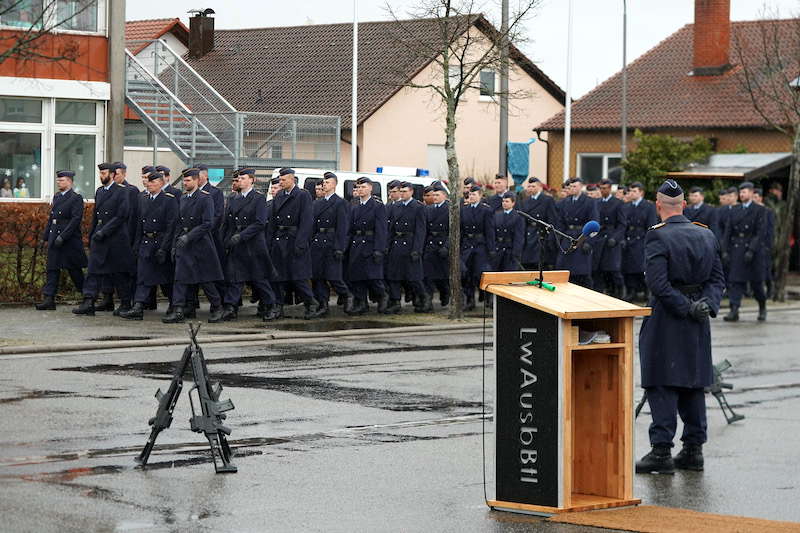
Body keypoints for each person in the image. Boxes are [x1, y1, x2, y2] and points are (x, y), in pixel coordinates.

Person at [636, 179, 725, 475]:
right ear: (684, 205)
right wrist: (706, 306)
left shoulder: (656, 237)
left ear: (658, 206)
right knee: (693, 382)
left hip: (668, 318)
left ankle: (662, 450)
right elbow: (716, 279)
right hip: (697, 319)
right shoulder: (705, 234)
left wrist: (686, 308)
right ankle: (693, 449)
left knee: (662, 381)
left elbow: (658, 284)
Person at [162, 168, 224, 324]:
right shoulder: (183, 199)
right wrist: (175, 244)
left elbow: (208, 224)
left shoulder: (205, 198)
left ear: (197, 180)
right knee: (180, 278)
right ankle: (178, 310)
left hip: (201, 245)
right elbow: (178, 223)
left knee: (206, 280)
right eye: (184, 180)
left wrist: (189, 236)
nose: (185, 183)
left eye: (188, 180)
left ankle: (217, 307)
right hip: (184, 245)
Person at [73, 163, 135, 316]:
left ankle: (126, 303)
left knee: (119, 272)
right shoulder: (100, 191)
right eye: (100, 173)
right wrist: (92, 234)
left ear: (113, 175)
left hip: (116, 239)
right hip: (100, 238)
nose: (102, 176)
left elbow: (122, 215)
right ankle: (89, 301)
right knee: (93, 270)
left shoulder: (122, 191)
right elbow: (96, 215)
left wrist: (105, 231)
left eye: (104, 173)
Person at [218, 168, 276, 322]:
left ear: (252, 180)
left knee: (259, 278)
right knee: (236, 277)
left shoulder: (258, 198)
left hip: (253, 244)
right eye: (239, 178)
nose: (240, 181)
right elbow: (227, 222)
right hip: (236, 243)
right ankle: (231, 307)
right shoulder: (233, 198)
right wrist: (224, 240)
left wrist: (241, 236)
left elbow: (260, 223)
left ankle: (271, 306)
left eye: (244, 178)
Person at [119, 172, 178, 320]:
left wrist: (164, 248)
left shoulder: (169, 200)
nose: (149, 184)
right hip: (146, 242)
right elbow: (140, 224)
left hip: (160, 243)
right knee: (143, 276)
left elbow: (171, 226)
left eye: (153, 182)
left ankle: (175, 305)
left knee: (165, 279)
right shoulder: (144, 199)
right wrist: (136, 245)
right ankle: (138, 306)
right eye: (148, 182)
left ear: (160, 183)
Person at [266, 167, 319, 319]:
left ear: (292, 179)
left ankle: (311, 303)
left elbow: (307, 220)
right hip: (279, 239)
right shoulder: (279, 196)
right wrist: (270, 242)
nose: (281, 182)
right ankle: (277, 307)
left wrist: (301, 242)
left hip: (294, 240)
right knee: (277, 278)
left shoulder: (302, 195)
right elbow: (272, 222)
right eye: (280, 180)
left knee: (298, 278)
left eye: (283, 180)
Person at [35, 170, 87, 310]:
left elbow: (75, 220)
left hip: (69, 240)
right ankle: (49, 299)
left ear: (70, 181)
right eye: (58, 180)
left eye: (62, 180)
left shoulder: (76, 198)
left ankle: (88, 297)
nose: (59, 183)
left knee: (74, 270)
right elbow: (52, 219)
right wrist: (46, 237)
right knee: (52, 268)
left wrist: (63, 236)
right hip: (54, 238)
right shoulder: (57, 197)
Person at [721, 181, 768, 322]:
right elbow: (728, 231)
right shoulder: (735, 209)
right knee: (735, 281)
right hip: (737, 249)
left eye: (745, 192)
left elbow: (760, 232)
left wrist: (752, 249)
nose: (742, 195)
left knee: (757, 283)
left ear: (752, 193)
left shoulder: (760, 210)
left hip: (753, 251)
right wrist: (724, 250)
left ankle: (762, 307)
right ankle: (734, 310)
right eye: (741, 192)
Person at [310, 171, 352, 317]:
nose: (324, 184)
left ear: (334, 184)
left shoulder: (340, 203)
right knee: (318, 277)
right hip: (318, 242)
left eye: (327, 182)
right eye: (323, 182)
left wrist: (340, 247)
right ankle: (323, 304)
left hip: (332, 242)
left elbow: (343, 227)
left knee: (333, 276)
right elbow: (313, 225)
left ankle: (347, 295)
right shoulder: (317, 203)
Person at [346, 176, 389, 315]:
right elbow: (350, 229)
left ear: (370, 188)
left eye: (363, 187)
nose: (360, 190)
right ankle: (362, 303)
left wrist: (379, 249)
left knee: (374, 277)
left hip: (370, 244)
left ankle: (383, 297)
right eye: (358, 187)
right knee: (357, 278)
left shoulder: (377, 205)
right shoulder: (355, 206)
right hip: (357, 243)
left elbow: (382, 229)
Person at [385, 181, 428, 314]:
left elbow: (421, 230)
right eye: (401, 191)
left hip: (410, 244)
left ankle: (423, 298)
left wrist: (417, 249)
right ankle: (396, 301)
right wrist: (388, 245)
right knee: (394, 276)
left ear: (411, 192)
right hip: (397, 244)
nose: (402, 194)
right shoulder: (395, 206)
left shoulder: (418, 207)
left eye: (405, 191)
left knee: (414, 277)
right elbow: (391, 228)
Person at [555, 177, 599, 288]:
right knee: (566, 271)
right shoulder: (565, 202)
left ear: (581, 186)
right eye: (570, 187)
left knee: (582, 273)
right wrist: (558, 238)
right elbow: (560, 222)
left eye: (575, 186)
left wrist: (589, 242)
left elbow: (594, 224)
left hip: (582, 237)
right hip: (567, 237)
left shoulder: (589, 202)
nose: (572, 189)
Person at [460, 184, 495, 310]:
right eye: (470, 194)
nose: (471, 197)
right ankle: (469, 300)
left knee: (480, 273)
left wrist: (491, 249)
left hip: (480, 246)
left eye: (474, 194)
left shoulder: (486, 210)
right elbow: (462, 230)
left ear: (480, 196)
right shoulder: (464, 209)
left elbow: (489, 231)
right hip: (468, 245)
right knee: (466, 274)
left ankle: (488, 297)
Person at [622, 182, 658, 300]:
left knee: (642, 268)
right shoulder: (627, 206)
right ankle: (632, 291)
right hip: (629, 238)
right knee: (629, 268)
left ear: (641, 192)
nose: (631, 194)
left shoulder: (648, 207)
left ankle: (647, 291)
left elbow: (651, 226)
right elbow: (623, 224)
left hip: (641, 239)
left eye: (634, 191)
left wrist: (649, 241)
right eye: (630, 191)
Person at [593, 179, 627, 298]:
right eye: (601, 188)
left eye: (605, 188)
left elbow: (622, 224)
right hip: (599, 238)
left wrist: (616, 238)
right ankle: (606, 291)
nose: (603, 191)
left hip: (612, 239)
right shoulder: (597, 202)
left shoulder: (618, 203)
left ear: (610, 188)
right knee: (600, 268)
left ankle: (620, 292)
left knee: (614, 269)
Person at [520, 177, 558, 271]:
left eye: (533, 186)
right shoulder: (525, 201)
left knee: (540, 264)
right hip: (529, 235)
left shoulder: (547, 200)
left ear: (539, 187)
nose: (530, 188)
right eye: (529, 186)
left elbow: (552, 220)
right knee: (528, 266)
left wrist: (550, 239)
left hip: (541, 235)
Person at [422, 182, 450, 309]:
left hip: (442, 245)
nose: (435, 197)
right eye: (433, 195)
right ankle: (428, 301)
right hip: (431, 245)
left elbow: (454, 231)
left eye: (437, 195)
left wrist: (447, 246)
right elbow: (425, 229)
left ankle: (445, 292)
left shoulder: (450, 209)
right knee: (427, 276)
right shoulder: (428, 209)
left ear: (444, 195)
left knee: (442, 277)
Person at [492, 191, 525, 271]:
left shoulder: (517, 217)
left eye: (507, 201)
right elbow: (493, 233)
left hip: (510, 250)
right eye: (503, 201)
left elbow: (519, 237)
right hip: (498, 249)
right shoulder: (497, 215)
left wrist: (516, 253)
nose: (504, 203)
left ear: (513, 203)